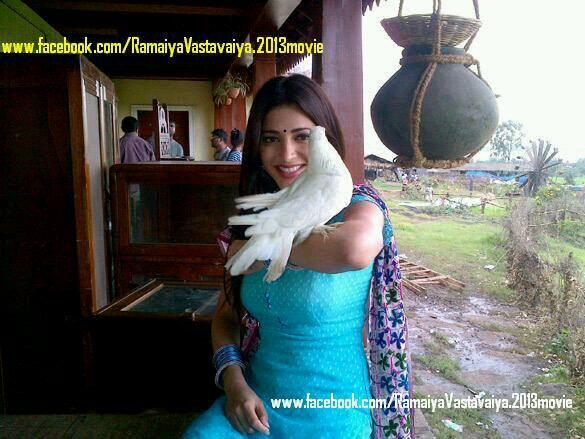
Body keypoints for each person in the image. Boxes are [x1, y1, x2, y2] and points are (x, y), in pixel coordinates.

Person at [183, 75, 413, 438]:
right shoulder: (259, 216)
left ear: (326, 140)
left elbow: (353, 249)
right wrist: (234, 384)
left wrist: (266, 246)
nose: (287, 154)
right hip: (255, 401)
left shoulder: (356, 205)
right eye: (271, 139)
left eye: (302, 137)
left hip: (332, 412)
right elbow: (226, 316)